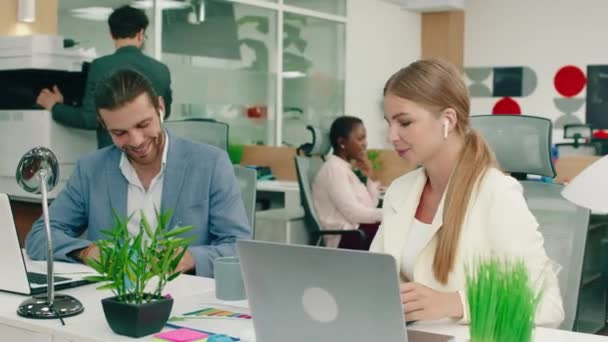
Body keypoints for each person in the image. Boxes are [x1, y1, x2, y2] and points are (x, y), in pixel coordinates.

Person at [371, 59, 564, 327]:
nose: (391, 135)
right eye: (388, 123)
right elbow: (373, 278)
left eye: (404, 122)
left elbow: (547, 305)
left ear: (448, 120)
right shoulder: (400, 190)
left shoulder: (497, 192)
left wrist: (455, 303)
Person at [26, 69, 250, 278]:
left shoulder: (211, 164)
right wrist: (87, 252)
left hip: (185, 297)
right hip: (112, 299)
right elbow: (39, 237)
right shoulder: (91, 169)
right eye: (120, 132)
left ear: (160, 108)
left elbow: (239, 248)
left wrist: (190, 258)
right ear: (104, 126)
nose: (136, 141)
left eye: (143, 124)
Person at [36, 5, 172, 149]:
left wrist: (55, 106)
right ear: (141, 33)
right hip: (151, 157)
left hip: (114, 156)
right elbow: (164, 112)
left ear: (112, 34)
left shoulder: (100, 66)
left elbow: (90, 119)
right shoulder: (161, 70)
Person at [312, 116, 382, 249]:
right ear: (342, 142)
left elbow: (370, 206)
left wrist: (369, 174)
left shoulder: (344, 168)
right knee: (395, 233)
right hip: (345, 237)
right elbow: (354, 214)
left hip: (356, 231)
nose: (365, 143)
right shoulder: (334, 169)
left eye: (365, 138)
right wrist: (389, 214)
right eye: (360, 138)